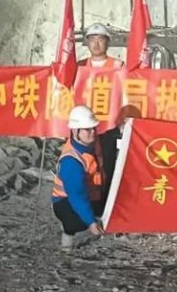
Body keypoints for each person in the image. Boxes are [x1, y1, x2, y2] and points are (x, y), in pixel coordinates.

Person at [52, 105, 105, 251]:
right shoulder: (71, 161)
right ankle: (67, 243)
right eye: (87, 129)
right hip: (65, 201)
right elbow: (77, 196)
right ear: (75, 131)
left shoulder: (92, 142)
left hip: (91, 192)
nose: (92, 132)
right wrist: (91, 222)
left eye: (94, 128)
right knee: (77, 223)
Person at [98, 104, 141, 198]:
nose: (128, 124)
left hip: (133, 190)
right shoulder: (103, 140)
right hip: (108, 190)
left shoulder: (142, 143)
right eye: (126, 120)